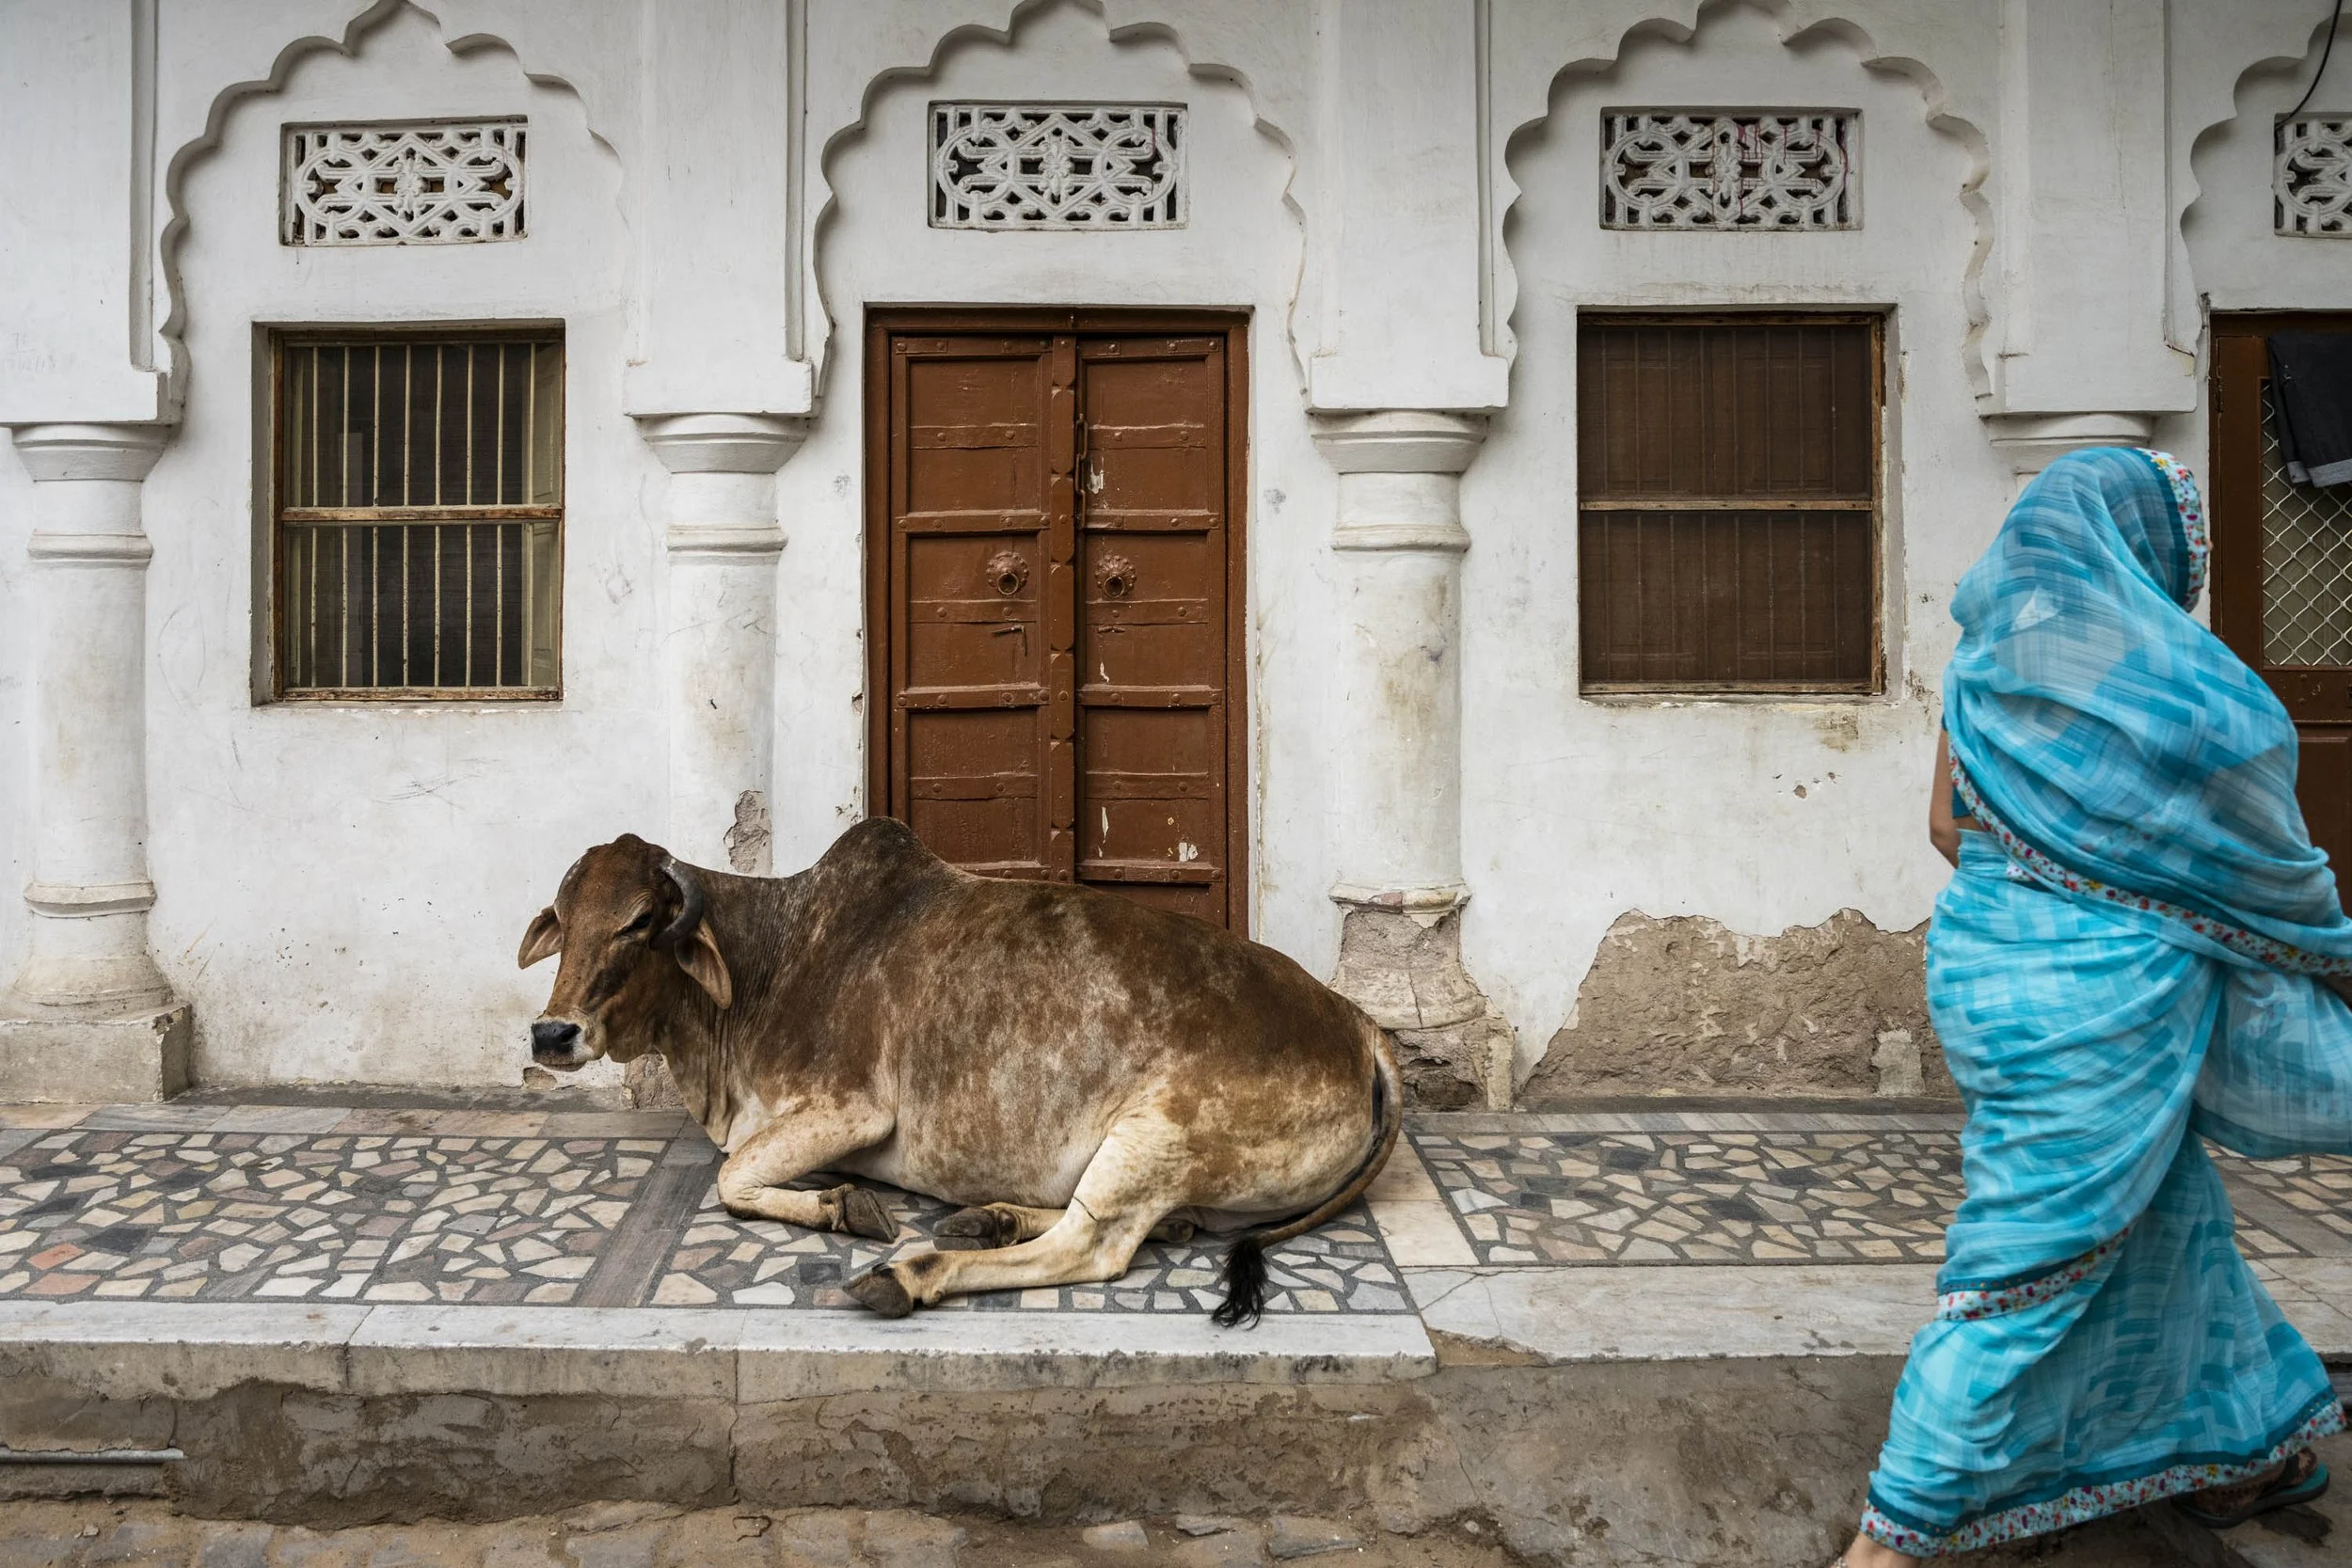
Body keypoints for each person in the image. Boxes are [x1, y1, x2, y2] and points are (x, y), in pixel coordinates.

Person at [1836, 447, 2352, 1565]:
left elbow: (1946, 828)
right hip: (2107, 1001)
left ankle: (2242, 1447)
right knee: (2028, 1261)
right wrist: (2288, 936)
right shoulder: (2186, 688)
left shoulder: (1989, 657)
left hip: (1990, 973)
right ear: (2150, 547)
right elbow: (2262, 857)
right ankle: (1892, 1536)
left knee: (2166, 1212)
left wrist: (2055, 883)